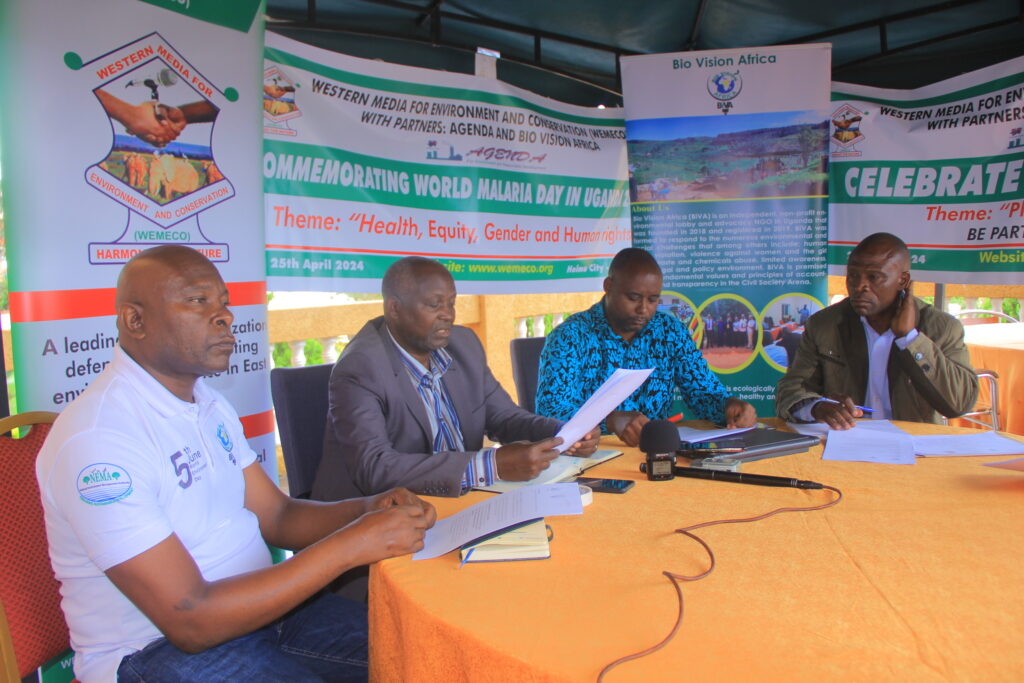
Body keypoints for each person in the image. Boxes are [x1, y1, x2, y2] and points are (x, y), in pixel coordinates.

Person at [36, 246, 436, 682]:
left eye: (223, 302)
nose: (224, 316)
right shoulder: (99, 439)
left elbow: (278, 516)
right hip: (154, 652)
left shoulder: (206, 402)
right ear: (136, 320)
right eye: (197, 301)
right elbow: (190, 618)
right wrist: (351, 545)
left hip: (265, 614)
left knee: (429, 654)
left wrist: (366, 511)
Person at [312, 256, 599, 501]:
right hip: (373, 520)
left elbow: (505, 418)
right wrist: (490, 465)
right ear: (394, 309)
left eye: (451, 303)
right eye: (435, 305)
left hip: (460, 503)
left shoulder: (463, 345)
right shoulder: (362, 368)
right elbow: (375, 469)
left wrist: (564, 432)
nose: (448, 315)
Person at [535, 248, 757, 447]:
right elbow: (550, 413)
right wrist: (609, 421)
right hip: (591, 459)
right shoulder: (570, 336)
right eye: (633, 298)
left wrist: (728, 406)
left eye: (652, 300)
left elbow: (702, 392)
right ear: (608, 286)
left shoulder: (669, 331)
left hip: (657, 455)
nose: (643, 309)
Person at [776, 232, 978, 429]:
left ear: (903, 281)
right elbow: (791, 390)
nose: (859, 286)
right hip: (846, 443)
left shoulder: (941, 327)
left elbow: (958, 404)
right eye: (853, 275)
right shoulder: (824, 325)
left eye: (874, 277)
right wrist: (816, 407)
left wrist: (910, 338)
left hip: (915, 447)